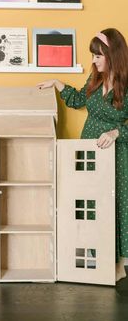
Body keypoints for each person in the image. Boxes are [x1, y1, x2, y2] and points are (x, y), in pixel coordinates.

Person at [37, 28, 128, 282]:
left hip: (116, 154)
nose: (94, 60)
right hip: (88, 153)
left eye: (98, 55)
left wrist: (116, 132)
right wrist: (57, 83)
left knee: (116, 205)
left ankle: (119, 263)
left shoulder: (127, 84)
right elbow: (78, 100)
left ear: (113, 54)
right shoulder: (95, 79)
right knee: (88, 202)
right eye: (92, 55)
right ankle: (94, 255)